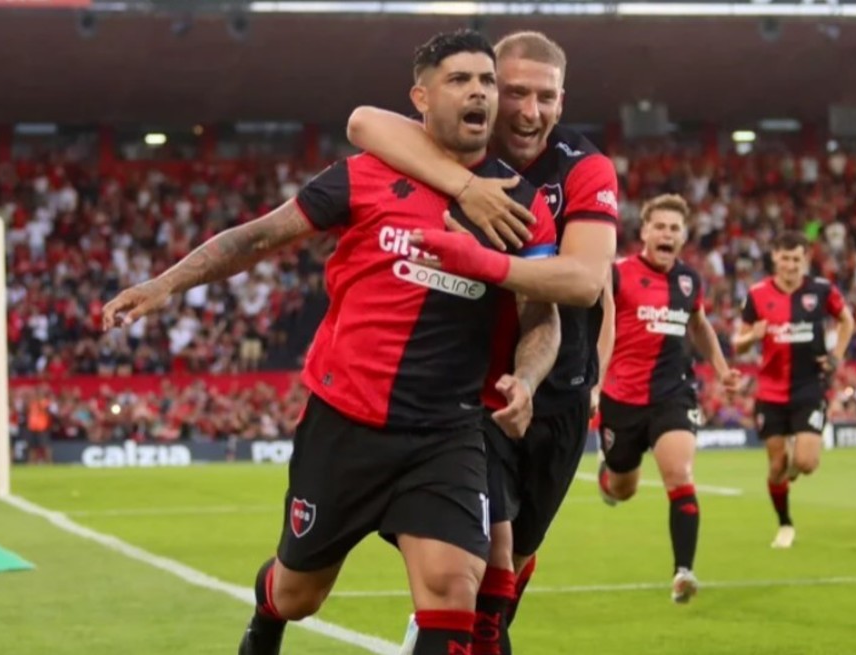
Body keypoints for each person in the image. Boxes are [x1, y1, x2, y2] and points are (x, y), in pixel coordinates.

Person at [103, 29, 560, 655]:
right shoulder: (367, 176)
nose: (478, 92)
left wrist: (527, 379)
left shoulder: (524, 204)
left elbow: (544, 316)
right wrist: (168, 282)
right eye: (460, 80)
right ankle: (267, 614)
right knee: (299, 595)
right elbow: (261, 237)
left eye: (486, 80)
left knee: (454, 589)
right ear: (421, 98)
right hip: (346, 423)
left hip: (446, 433)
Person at [347, 31, 618, 654]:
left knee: (514, 565)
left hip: (560, 396)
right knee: (485, 565)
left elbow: (583, 282)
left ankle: (459, 630)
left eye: (545, 97)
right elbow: (363, 123)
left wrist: (482, 262)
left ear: (562, 100)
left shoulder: (583, 167)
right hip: (476, 395)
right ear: (491, 92)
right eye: (514, 91)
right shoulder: (464, 147)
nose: (528, 111)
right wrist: (465, 187)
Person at [594, 194, 741, 604]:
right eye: (660, 226)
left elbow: (699, 325)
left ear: (683, 236)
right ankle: (609, 476)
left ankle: (683, 572)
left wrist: (723, 368)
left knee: (680, 474)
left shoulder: (689, 280)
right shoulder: (618, 275)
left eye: (675, 229)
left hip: (673, 394)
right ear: (644, 231)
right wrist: (593, 383)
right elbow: (602, 330)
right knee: (623, 488)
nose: (667, 234)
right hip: (621, 398)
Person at [734, 231, 855, 549]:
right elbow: (738, 342)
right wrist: (753, 336)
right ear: (775, 257)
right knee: (776, 466)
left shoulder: (821, 290)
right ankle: (785, 523)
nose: (790, 265)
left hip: (808, 387)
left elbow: (847, 320)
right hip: (770, 392)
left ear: (806, 259)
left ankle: (790, 472)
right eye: (785, 258)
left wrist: (836, 356)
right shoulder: (758, 294)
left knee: (806, 463)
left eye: (796, 259)